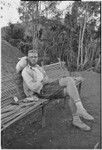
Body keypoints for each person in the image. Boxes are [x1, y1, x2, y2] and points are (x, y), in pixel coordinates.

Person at [16, 49, 94, 131]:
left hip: (48, 85)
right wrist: (43, 81)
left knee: (69, 80)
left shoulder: (39, 67)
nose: (34, 58)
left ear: (37, 57)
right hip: (41, 91)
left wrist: (45, 80)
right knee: (70, 92)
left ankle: (80, 110)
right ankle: (77, 118)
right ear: (28, 58)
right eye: (31, 57)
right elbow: (33, 87)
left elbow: (46, 77)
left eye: (35, 57)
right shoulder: (25, 71)